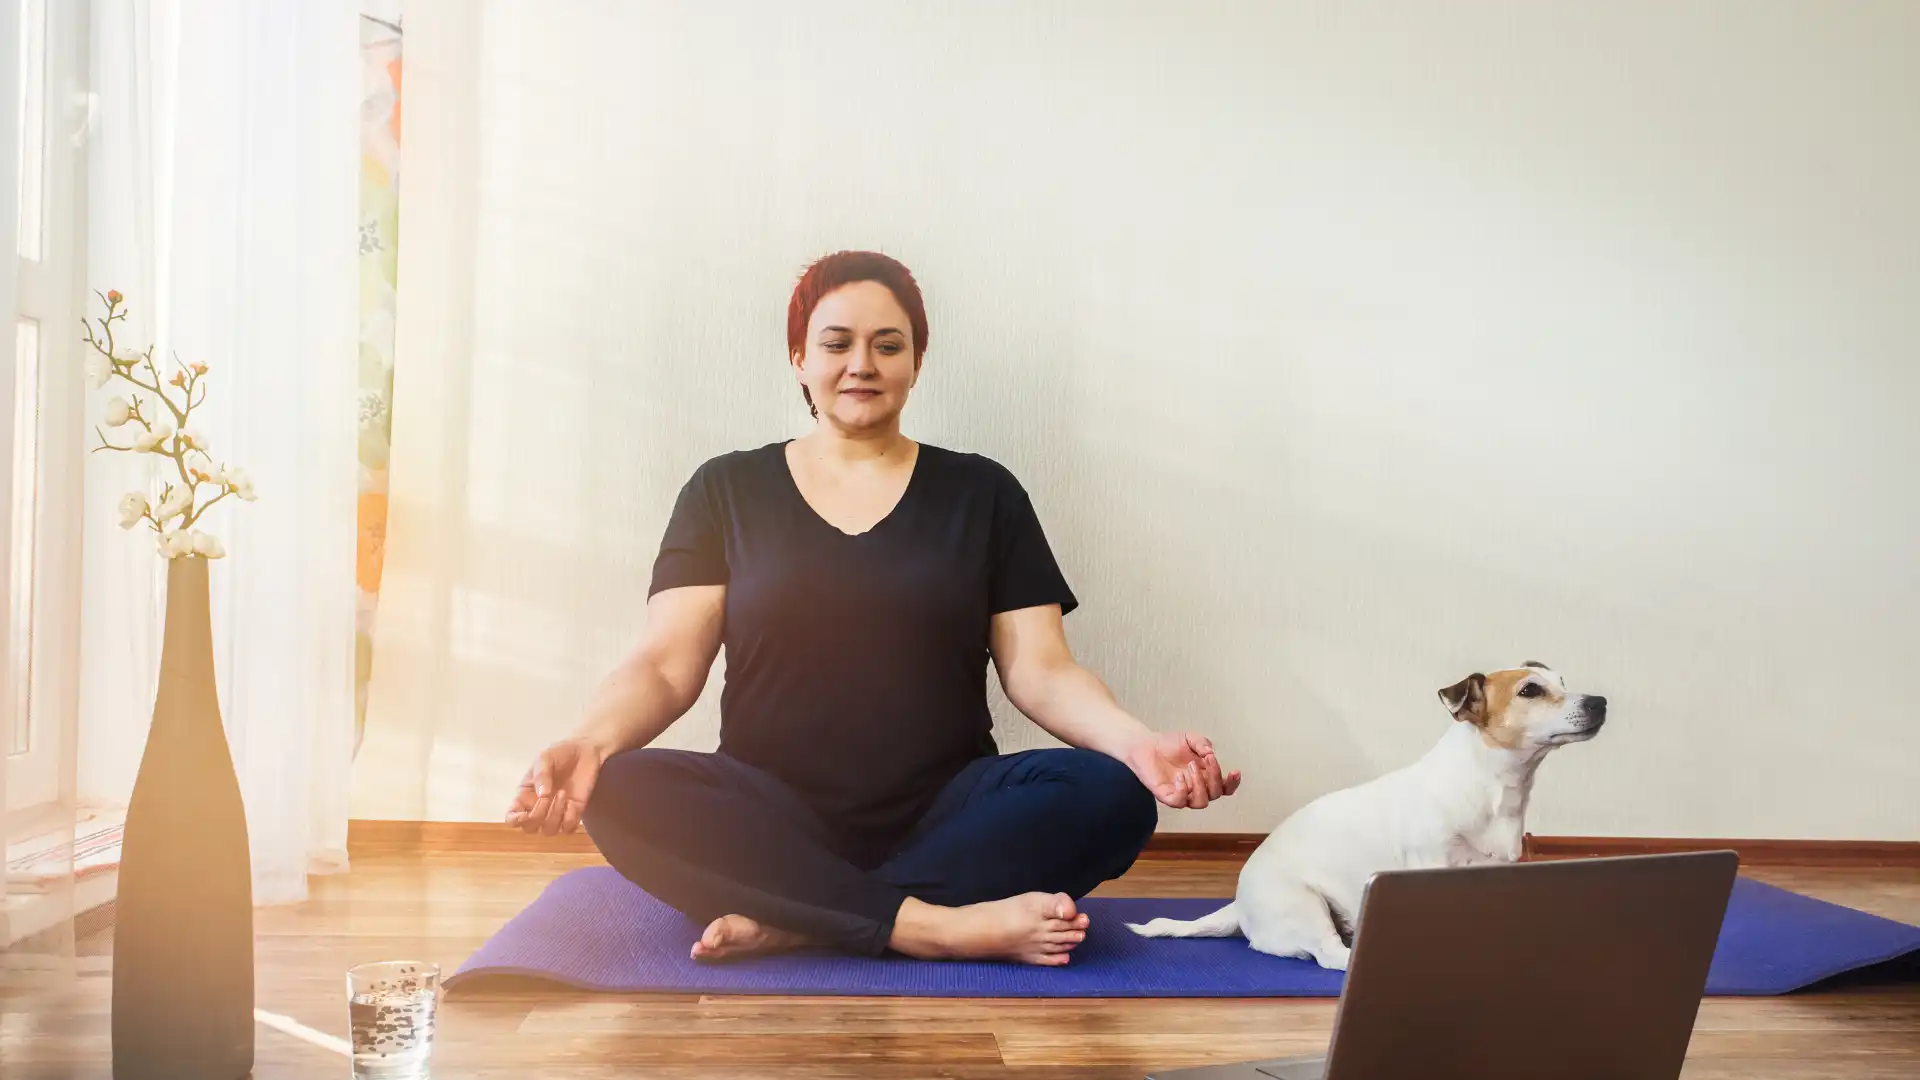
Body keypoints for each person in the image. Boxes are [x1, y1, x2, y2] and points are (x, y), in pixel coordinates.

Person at [505, 250, 1240, 967]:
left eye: (889, 345)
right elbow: (665, 667)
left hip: (948, 814)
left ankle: (801, 920)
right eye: (837, 343)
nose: (863, 363)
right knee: (624, 790)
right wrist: (592, 743)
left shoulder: (984, 494)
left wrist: (1137, 743)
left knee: (1113, 795)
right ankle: (935, 928)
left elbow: (1043, 672)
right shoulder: (724, 490)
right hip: (771, 812)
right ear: (799, 358)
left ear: (917, 362)